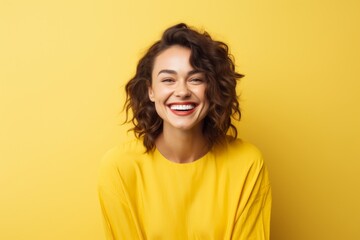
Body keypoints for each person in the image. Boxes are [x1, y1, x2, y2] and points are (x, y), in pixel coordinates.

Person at [98, 23, 272, 239]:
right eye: (168, 80)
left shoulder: (247, 162)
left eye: (195, 79)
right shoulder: (120, 167)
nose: (182, 91)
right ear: (151, 90)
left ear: (212, 89)